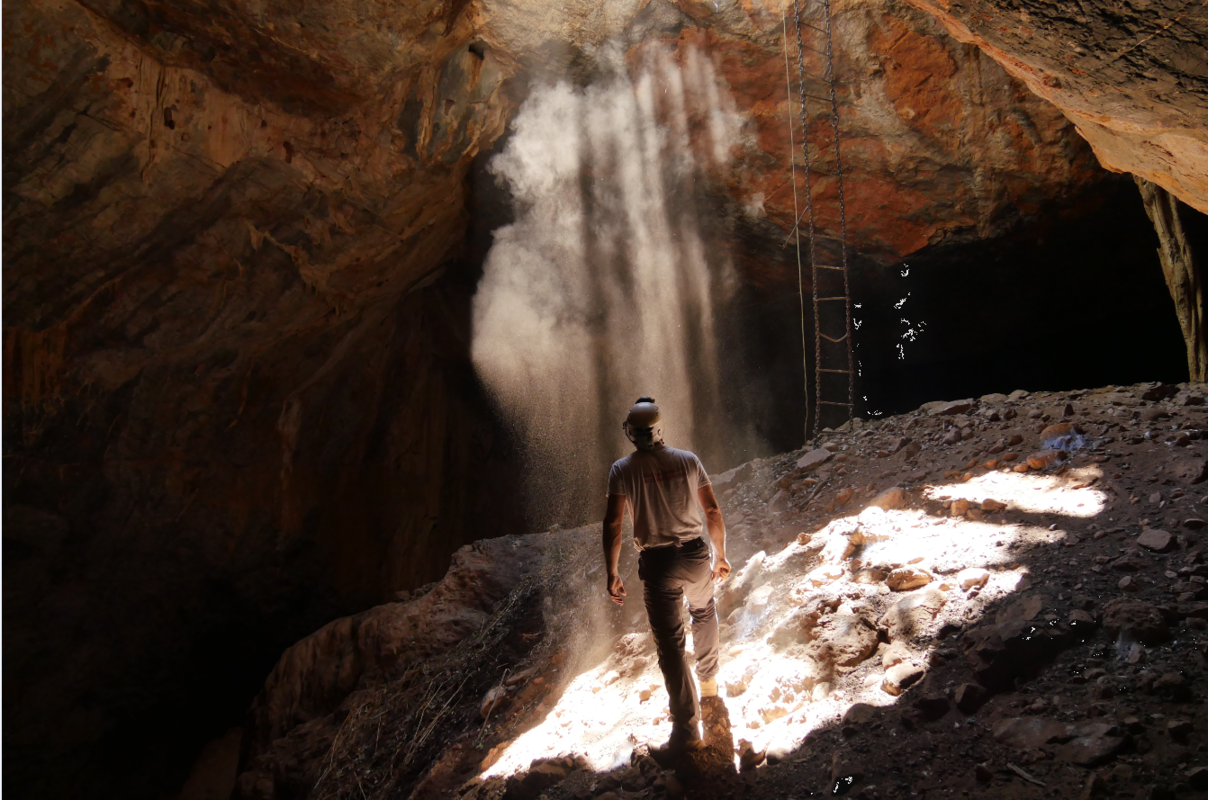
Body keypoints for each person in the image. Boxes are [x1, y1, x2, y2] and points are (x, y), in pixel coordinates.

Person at [602, 396, 731, 758]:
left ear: (631, 433)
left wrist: (611, 572)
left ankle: (687, 731)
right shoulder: (689, 461)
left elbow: (613, 523)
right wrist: (720, 555)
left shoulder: (622, 470)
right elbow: (712, 510)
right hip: (694, 554)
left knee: (671, 647)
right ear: (660, 429)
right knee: (704, 612)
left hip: (657, 565)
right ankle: (708, 685)